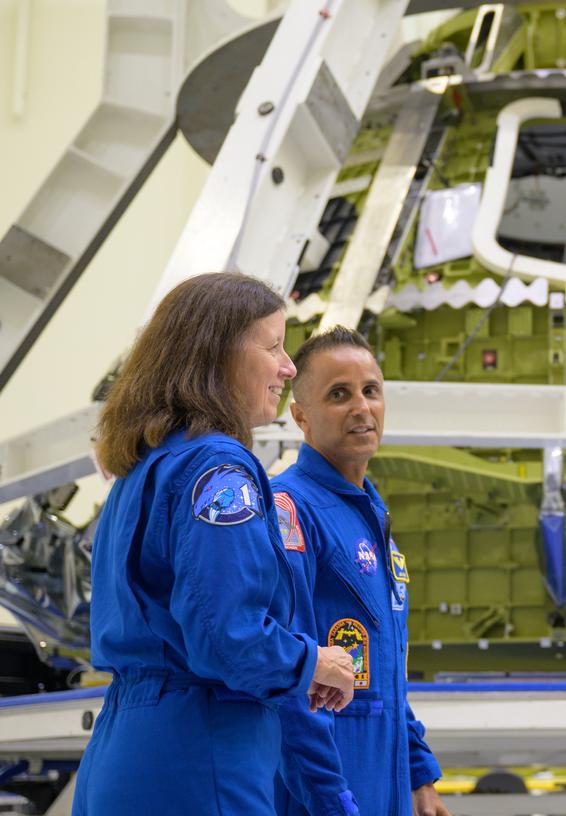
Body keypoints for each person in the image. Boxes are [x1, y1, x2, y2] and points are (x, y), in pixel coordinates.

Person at [74, 273, 356, 815]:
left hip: (126, 747)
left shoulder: (143, 471)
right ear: (219, 355)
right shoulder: (220, 470)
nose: (289, 366)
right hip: (199, 754)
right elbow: (226, 634)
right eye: (273, 346)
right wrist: (314, 662)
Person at [273, 327, 450, 816]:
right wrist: (331, 801)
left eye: (371, 390)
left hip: (382, 789)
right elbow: (285, 679)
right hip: (321, 794)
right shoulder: (291, 510)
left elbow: (387, 673)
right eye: (339, 394)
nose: (361, 407)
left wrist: (420, 779)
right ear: (300, 417)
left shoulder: (371, 516)